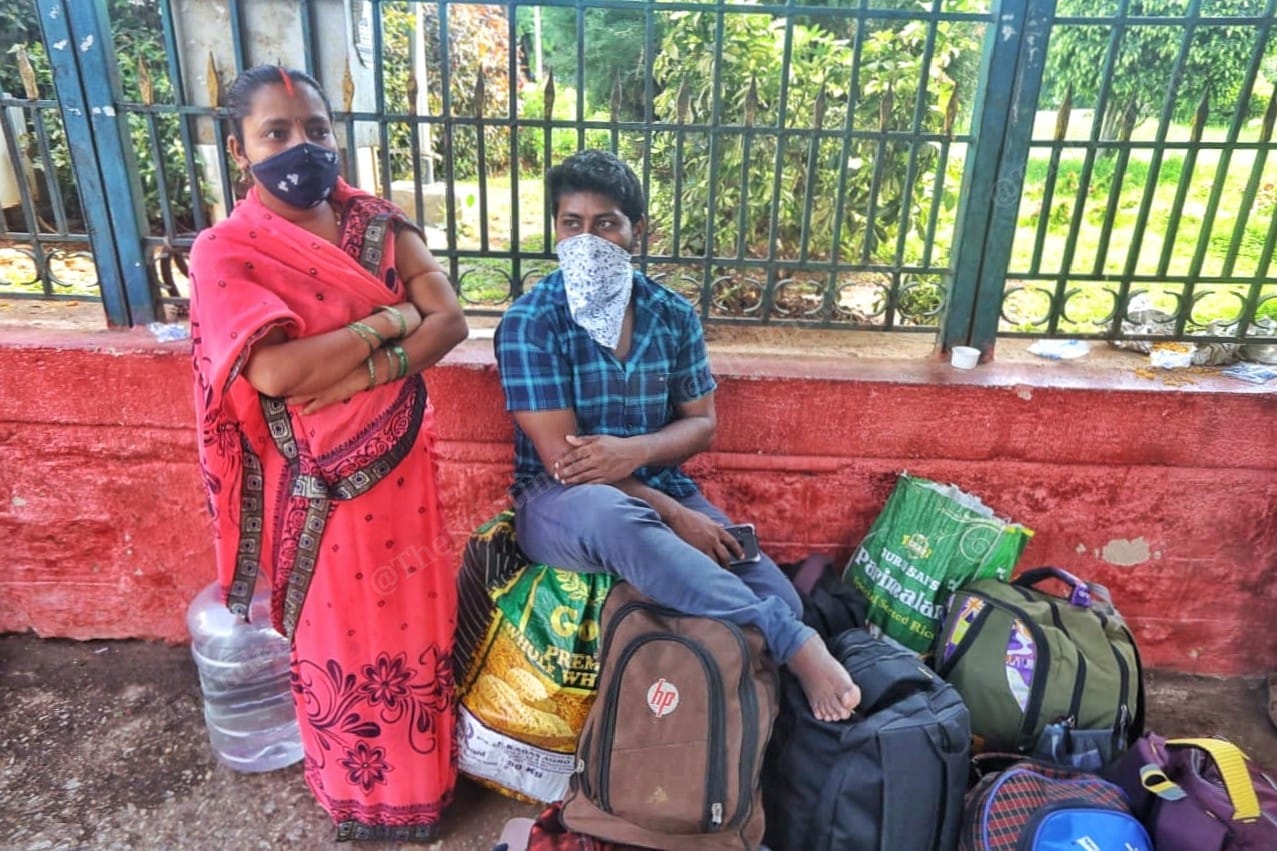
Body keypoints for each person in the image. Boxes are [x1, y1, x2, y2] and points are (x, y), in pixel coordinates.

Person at [189, 65, 468, 842]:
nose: (301, 146)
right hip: (316, 487)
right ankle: (356, 797)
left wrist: (365, 365)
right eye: (276, 132)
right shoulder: (226, 250)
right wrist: (391, 321)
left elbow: (450, 322)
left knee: (416, 624)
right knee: (338, 635)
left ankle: (424, 789)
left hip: (402, 469)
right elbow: (276, 372)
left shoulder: (377, 222)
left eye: (315, 129)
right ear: (239, 149)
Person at [493, 150, 861, 723]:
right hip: (561, 500)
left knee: (784, 595)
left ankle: (749, 730)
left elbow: (701, 422)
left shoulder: (671, 315)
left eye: (606, 223)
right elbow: (566, 464)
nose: (587, 241)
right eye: (572, 224)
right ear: (556, 232)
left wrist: (637, 453)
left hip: (666, 486)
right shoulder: (531, 323)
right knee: (615, 518)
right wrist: (674, 516)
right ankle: (790, 641)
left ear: (636, 231)